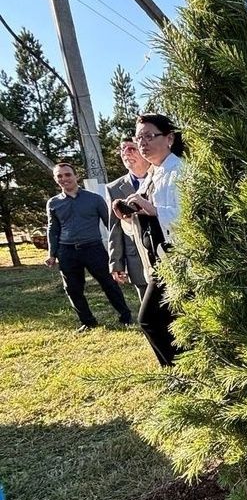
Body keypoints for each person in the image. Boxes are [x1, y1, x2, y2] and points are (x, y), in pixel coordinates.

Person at [113, 114, 185, 367]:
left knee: (150, 319)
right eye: (138, 137)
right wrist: (127, 215)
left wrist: (154, 210)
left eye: (148, 136)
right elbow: (137, 227)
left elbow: (191, 219)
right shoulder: (152, 174)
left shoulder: (181, 172)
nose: (142, 143)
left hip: (179, 259)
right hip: (156, 260)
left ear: (169, 138)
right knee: (170, 320)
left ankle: (180, 372)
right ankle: (182, 372)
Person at [45, 162, 133, 331]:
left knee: (109, 284)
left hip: (93, 248)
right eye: (59, 176)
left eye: (67, 174)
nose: (64, 179)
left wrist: (122, 247)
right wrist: (52, 253)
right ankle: (88, 322)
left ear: (76, 176)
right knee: (72, 289)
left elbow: (111, 225)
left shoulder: (94, 199)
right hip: (67, 251)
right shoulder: (53, 203)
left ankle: (126, 316)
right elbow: (52, 229)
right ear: (56, 180)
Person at [106, 136, 150, 301]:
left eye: (131, 148)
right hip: (138, 260)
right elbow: (115, 227)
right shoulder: (114, 188)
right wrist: (115, 263)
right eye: (122, 149)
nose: (125, 153)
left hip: (166, 253)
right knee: (149, 312)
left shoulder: (161, 176)